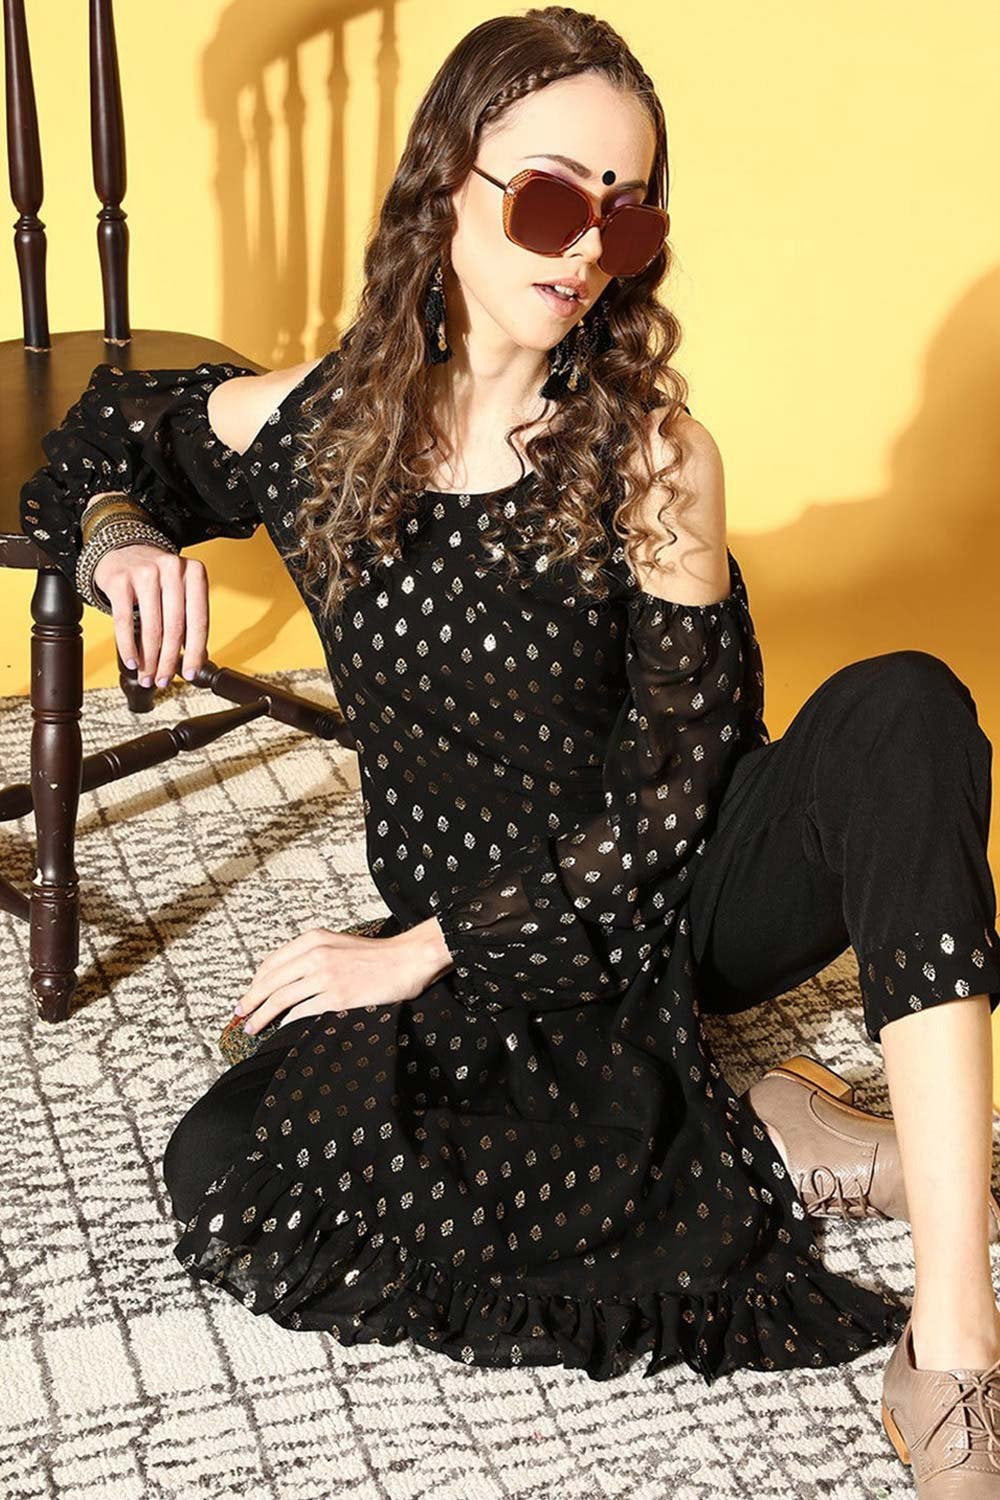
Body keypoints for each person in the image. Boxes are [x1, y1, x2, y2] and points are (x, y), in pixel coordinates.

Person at [20, 6, 1000, 1486]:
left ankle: (955, 1343)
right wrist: (121, 540)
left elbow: (671, 802)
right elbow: (103, 437)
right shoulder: (311, 427)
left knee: (906, 704)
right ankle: (774, 1134)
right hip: (484, 923)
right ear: (446, 186)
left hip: (677, 891)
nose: (588, 246)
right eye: (551, 198)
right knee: (248, 1166)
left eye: (629, 213)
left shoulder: (652, 456)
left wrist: (421, 950)